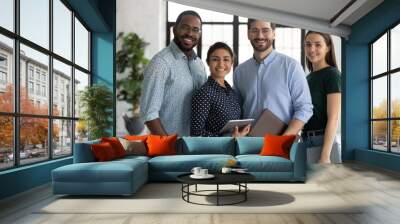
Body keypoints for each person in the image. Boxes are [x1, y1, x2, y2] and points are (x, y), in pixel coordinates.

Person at [233, 19, 313, 136]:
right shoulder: (240, 71)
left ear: (274, 33)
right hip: (247, 144)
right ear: (248, 34)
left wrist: (282, 140)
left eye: (265, 30)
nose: (260, 36)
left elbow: (304, 108)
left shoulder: (291, 66)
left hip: (282, 144)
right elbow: (237, 110)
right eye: (255, 30)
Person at [140, 11, 207, 136]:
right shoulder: (160, 63)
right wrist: (169, 147)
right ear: (174, 29)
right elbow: (149, 114)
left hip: (197, 145)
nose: (190, 33)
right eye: (185, 27)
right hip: (171, 149)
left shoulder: (199, 65)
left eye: (195, 30)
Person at [190, 42, 250, 137]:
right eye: (215, 59)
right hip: (215, 150)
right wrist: (227, 138)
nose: (221, 64)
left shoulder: (232, 92)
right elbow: (196, 133)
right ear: (208, 62)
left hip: (233, 148)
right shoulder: (204, 93)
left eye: (226, 59)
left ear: (231, 63)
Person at [303, 31, 341, 164]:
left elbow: (334, 117)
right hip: (306, 140)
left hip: (323, 142)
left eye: (318, 45)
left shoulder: (332, 74)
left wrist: (325, 155)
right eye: (308, 44)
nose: (312, 49)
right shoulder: (307, 78)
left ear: (328, 48)